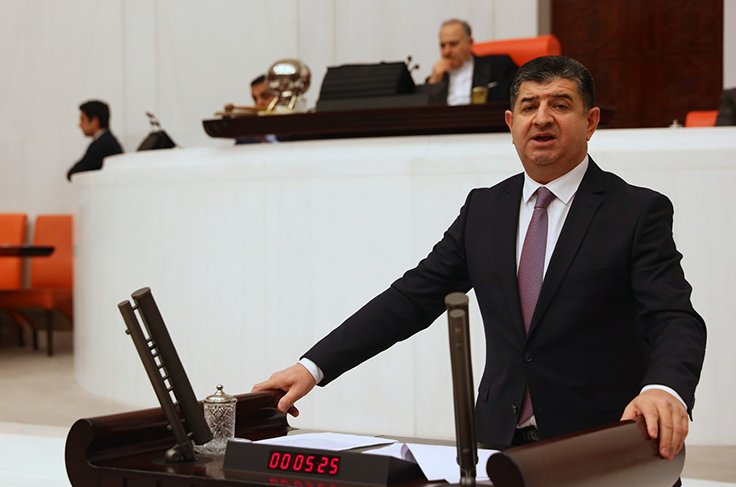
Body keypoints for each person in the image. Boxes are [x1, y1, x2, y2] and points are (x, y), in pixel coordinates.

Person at [254, 56, 706, 462]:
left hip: (599, 445)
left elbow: (674, 317)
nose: (542, 118)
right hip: (497, 446)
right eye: (529, 106)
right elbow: (411, 298)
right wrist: (312, 366)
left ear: (590, 122)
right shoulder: (484, 209)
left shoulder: (635, 211)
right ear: (511, 122)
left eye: (560, 104)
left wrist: (664, 389)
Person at [426, 19, 517, 106]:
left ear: (470, 42)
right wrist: (434, 82)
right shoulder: (437, 78)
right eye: (442, 45)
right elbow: (424, 111)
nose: (446, 52)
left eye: (453, 44)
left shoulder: (500, 66)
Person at [66, 100, 124, 181]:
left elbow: (74, 172)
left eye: (82, 119)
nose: (80, 124)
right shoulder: (107, 140)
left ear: (94, 121)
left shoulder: (101, 145)